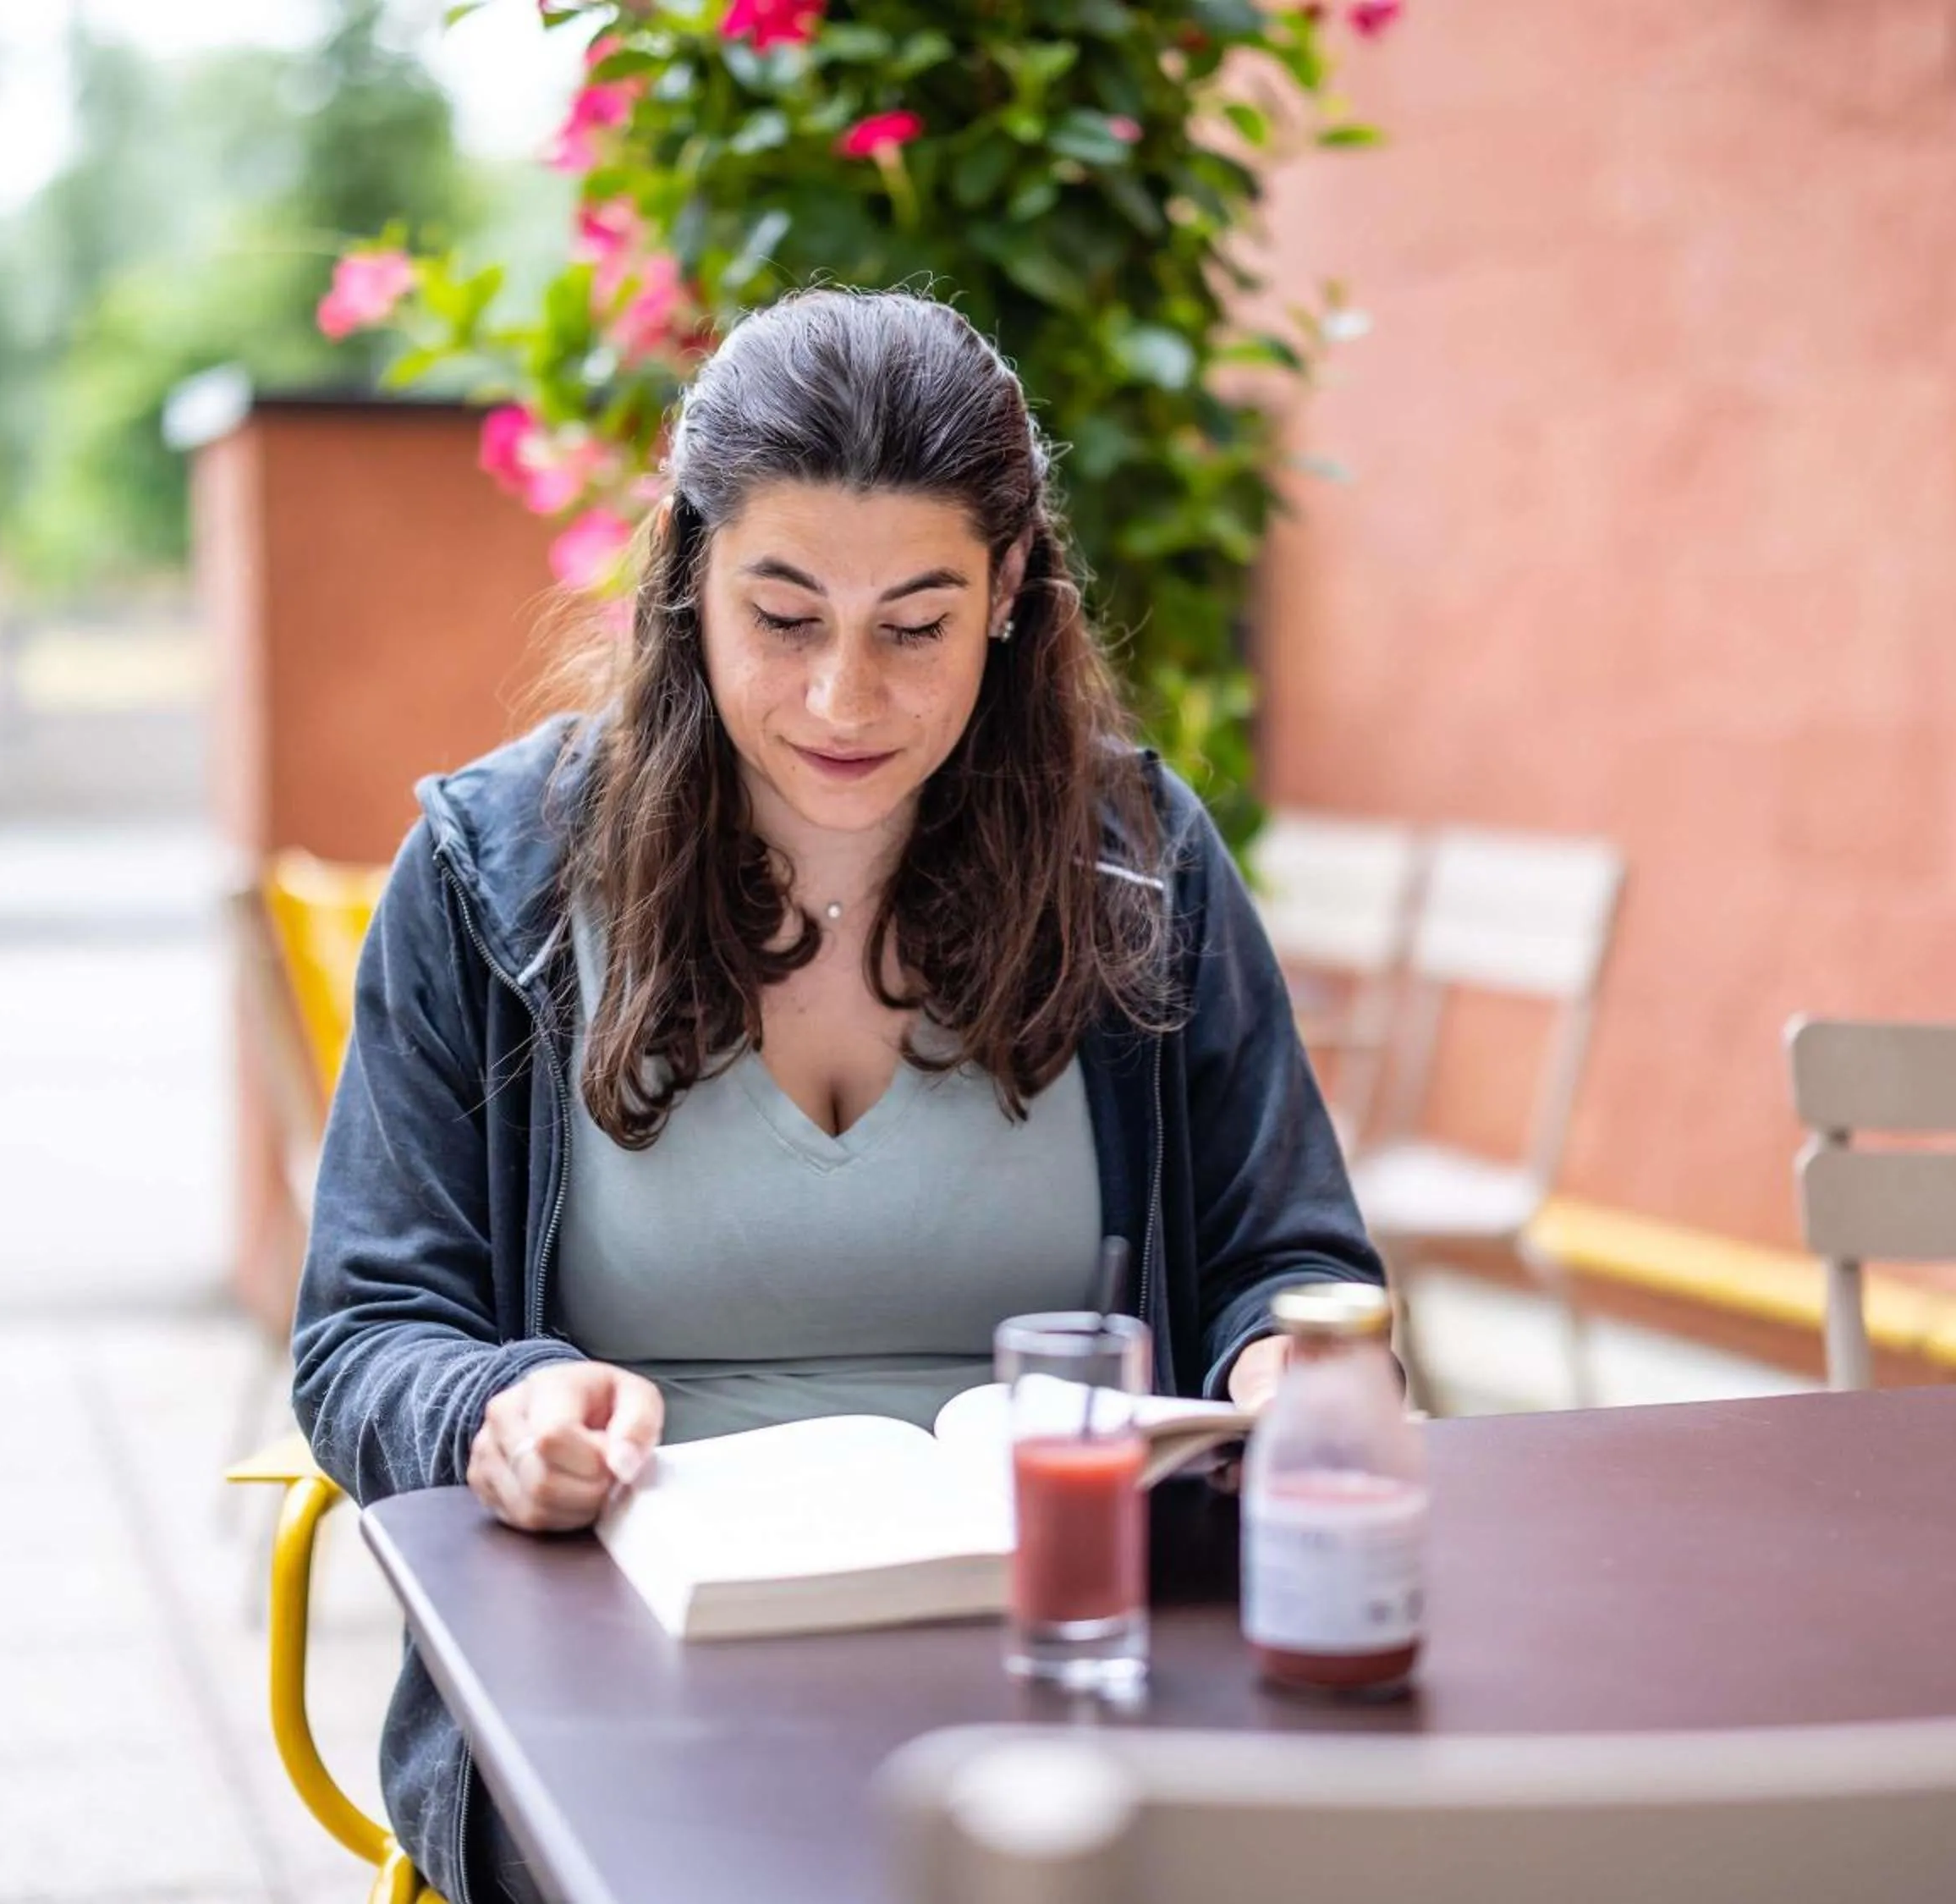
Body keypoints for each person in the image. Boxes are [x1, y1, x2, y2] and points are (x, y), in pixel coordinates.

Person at [291, 286, 1384, 1904]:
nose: (843, 701)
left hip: (1076, 1666)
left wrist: (1297, 1365)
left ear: (1010, 590)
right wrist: (490, 1411)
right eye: (784, 617)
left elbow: (1294, 1264)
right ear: (691, 581)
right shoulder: (491, 878)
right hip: (633, 1683)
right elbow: (362, 1333)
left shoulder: (1137, 866)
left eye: (916, 624)